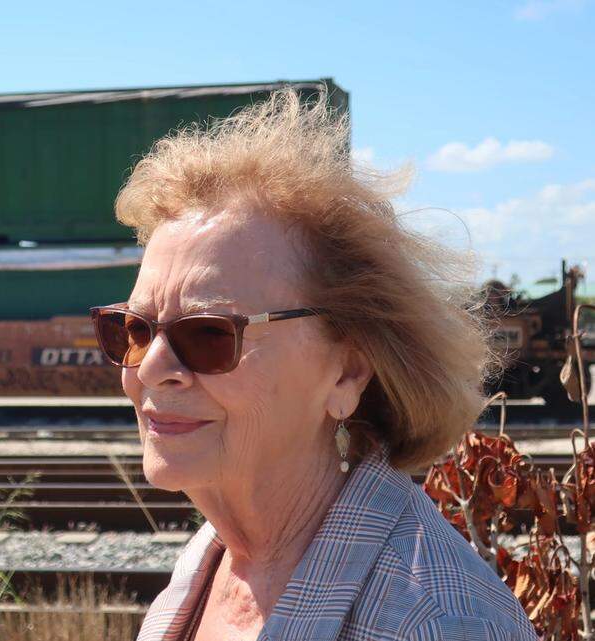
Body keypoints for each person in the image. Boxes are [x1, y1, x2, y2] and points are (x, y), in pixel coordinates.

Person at [89, 87, 536, 641]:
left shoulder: (437, 623)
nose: (152, 368)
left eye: (209, 334)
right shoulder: (212, 561)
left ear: (347, 372)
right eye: (133, 329)